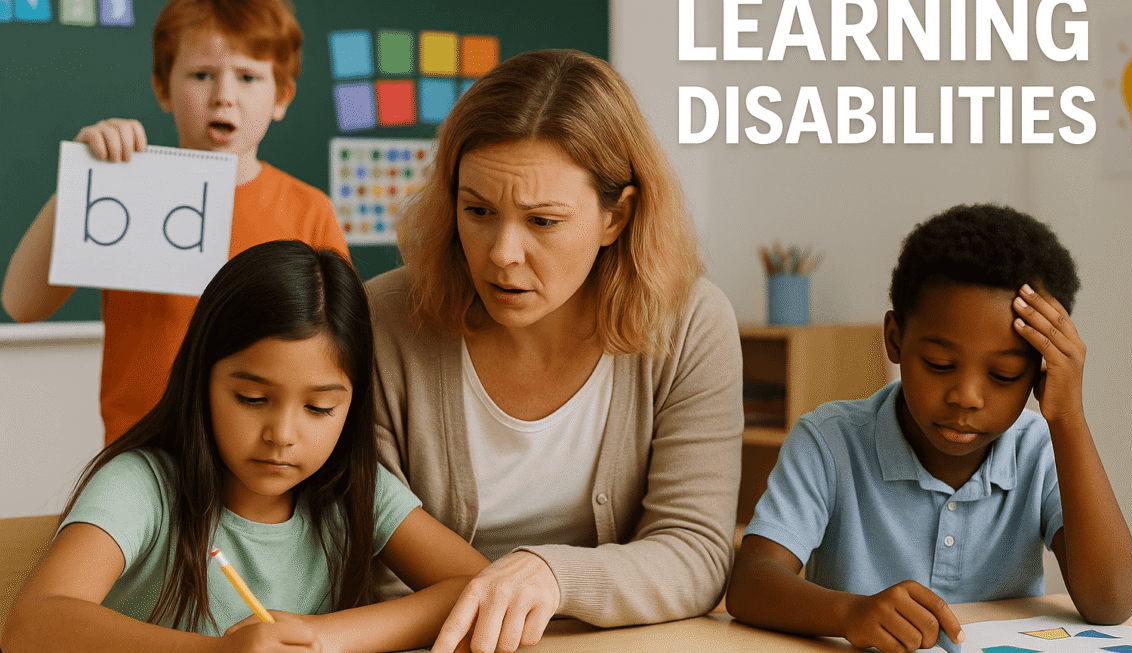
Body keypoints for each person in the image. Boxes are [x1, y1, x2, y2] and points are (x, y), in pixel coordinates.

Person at [365, 49, 744, 653]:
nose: (502, 253)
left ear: (616, 217)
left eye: (542, 222)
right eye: (478, 211)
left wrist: (552, 576)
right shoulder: (383, 319)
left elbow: (696, 552)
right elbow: (373, 557)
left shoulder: (690, 323)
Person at [1, 240, 489, 653]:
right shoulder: (142, 484)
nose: (282, 434)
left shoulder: (355, 488)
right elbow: (32, 624)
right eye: (252, 398)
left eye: (319, 409)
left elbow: (480, 587)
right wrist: (216, 651)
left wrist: (320, 637)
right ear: (202, 379)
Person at [727, 204, 1132, 653]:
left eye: (1003, 375)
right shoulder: (829, 441)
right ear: (895, 339)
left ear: (1040, 371)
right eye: (940, 365)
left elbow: (1112, 603)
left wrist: (1068, 419)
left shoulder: (1039, 448)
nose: (967, 396)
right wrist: (849, 613)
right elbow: (750, 584)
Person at [1, 0, 348, 445]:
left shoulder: (309, 210)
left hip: (259, 460)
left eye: (247, 76)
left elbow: (337, 354)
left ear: (281, 96)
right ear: (163, 88)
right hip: (141, 451)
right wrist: (82, 181)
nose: (224, 94)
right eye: (202, 75)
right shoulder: (123, 185)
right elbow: (22, 304)